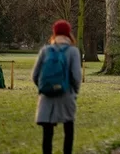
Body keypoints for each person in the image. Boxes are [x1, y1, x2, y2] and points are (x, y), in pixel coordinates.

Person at [32, 19, 82, 154]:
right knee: (68, 129)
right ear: (68, 34)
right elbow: (76, 76)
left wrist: (44, 88)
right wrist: (74, 92)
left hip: (47, 96)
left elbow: (35, 75)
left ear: (54, 33)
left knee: (47, 133)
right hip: (66, 95)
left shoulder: (45, 50)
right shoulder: (73, 51)